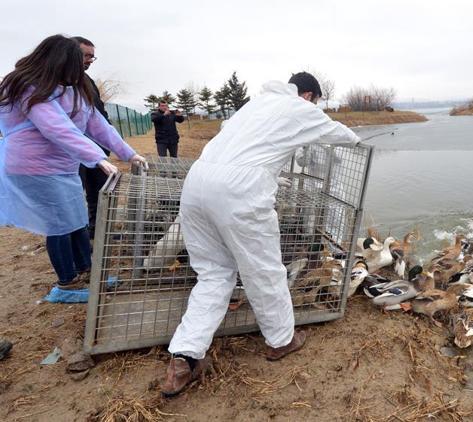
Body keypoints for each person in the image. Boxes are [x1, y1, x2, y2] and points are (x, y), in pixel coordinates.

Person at [162, 72, 360, 397]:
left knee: (213, 274)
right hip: (239, 192)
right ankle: (282, 340)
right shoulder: (300, 107)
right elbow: (345, 136)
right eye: (316, 101)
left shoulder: (254, 105)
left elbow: (242, 147)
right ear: (308, 95)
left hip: (197, 183)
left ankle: (184, 359)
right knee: (263, 271)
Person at [0, 35, 147, 290]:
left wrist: (128, 153)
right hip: (34, 166)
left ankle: (87, 272)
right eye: (78, 62)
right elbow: (56, 127)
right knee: (58, 223)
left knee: (77, 219)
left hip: (62, 164)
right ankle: (67, 284)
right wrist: (97, 158)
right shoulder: (30, 87)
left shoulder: (74, 87)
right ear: (58, 61)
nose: (82, 67)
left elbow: (96, 122)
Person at [72, 36, 110, 239]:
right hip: (73, 151)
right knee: (76, 196)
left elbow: (100, 112)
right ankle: (78, 240)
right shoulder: (59, 81)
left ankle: (97, 231)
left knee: (100, 191)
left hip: (97, 149)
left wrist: (108, 142)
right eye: (85, 55)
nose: (89, 61)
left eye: (92, 57)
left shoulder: (88, 81)